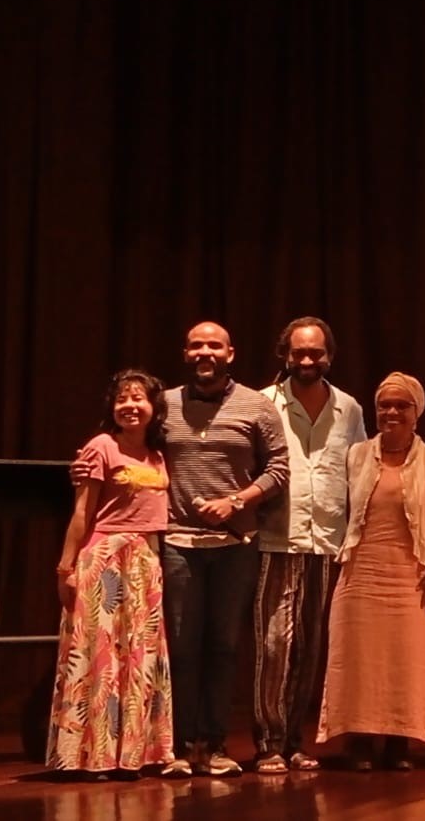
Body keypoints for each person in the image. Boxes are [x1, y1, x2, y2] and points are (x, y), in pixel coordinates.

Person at [157, 321, 288, 778]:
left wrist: (235, 500)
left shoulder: (257, 405)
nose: (205, 352)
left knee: (223, 646)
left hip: (236, 545)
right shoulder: (163, 404)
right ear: (185, 352)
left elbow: (279, 469)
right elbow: (131, 447)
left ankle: (213, 745)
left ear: (231, 353)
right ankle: (176, 746)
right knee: (180, 646)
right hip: (176, 543)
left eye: (214, 345)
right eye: (196, 345)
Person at [317, 372, 425, 771]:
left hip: (412, 571)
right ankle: (358, 741)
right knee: (357, 657)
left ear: (417, 413)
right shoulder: (356, 455)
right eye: (384, 405)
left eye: (401, 406)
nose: (392, 412)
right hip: (362, 569)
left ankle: (396, 743)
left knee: (406, 660)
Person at [252, 317, 368, 774]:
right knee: (274, 643)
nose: (306, 360)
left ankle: (296, 741)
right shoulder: (262, 404)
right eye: (298, 352)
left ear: (329, 357)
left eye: (315, 353)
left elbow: (360, 471)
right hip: (275, 539)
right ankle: (268, 742)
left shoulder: (349, 409)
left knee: (312, 647)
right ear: (285, 354)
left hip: (327, 542)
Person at [47, 370, 175, 776]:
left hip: (145, 559)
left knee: (140, 656)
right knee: (99, 657)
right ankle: (92, 755)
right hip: (105, 556)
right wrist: (65, 567)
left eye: (139, 398)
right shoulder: (101, 446)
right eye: (122, 399)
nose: (130, 405)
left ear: (154, 408)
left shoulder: (157, 455)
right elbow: (82, 511)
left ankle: (136, 753)